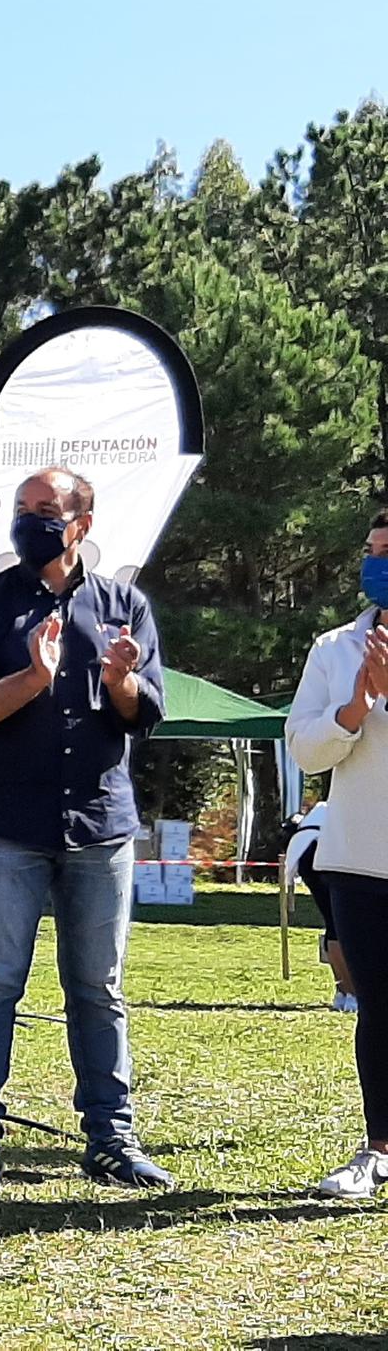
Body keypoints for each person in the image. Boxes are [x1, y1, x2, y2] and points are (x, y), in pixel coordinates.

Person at [0, 466, 174, 1193]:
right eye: (21, 510)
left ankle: (111, 1137)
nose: (29, 522)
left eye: (46, 511)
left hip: (99, 829)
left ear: (82, 524)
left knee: (98, 988)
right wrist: (33, 681)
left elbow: (147, 713)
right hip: (6, 829)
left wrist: (120, 684)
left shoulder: (122, 606)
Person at [285, 508, 388, 1198]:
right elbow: (305, 746)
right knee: (379, 1007)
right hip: (359, 859)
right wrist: (352, 710)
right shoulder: (334, 648)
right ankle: (378, 1149)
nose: (376, 563)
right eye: (372, 550)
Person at [284, 803, 357, 1012]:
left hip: (305, 856)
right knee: (342, 929)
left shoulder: (323, 808)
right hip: (323, 856)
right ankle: (352, 993)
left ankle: (343, 992)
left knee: (333, 926)